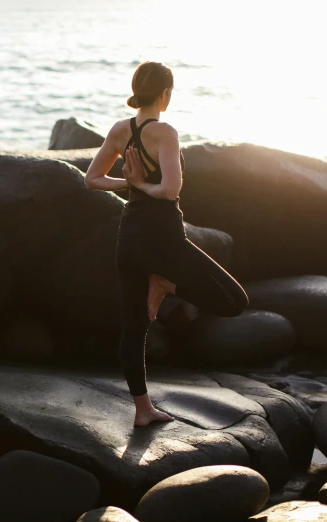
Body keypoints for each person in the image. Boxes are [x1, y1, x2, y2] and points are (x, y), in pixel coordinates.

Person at [84, 61, 249, 427]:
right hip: (164, 238)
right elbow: (170, 190)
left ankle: (143, 410)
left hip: (128, 239)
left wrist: (128, 183)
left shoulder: (118, 130)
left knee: (133, 328)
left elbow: (92, 180)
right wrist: (141, 184)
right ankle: (166, 282)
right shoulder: (165, 132)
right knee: (235, 300)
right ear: (165, 94)